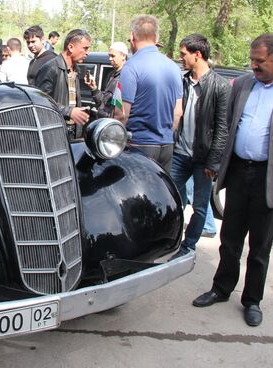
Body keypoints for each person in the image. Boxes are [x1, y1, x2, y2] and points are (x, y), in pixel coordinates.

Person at [192, 34, 273, 327]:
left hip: (269, 175)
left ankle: (252, 300)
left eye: (259, 61)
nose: (253, 66)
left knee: (260, 245)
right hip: (238, 171)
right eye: (251, 60)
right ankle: (221, 288)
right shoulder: (244, 85)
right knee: (230, 238)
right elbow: (228, 124)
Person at [169, 34, 229, 259]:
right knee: (172, 197)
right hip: (179, 154)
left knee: (201, 206)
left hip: (203, 159)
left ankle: (189, 244)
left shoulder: (220, 86)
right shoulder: (182, 81)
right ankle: (170, 239)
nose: (180, 58)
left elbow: (222, 128)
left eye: (183, 54)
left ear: (197, 54)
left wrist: (213, 161)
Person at [116, 15, 183, 172]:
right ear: (156, 38)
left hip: (138, 146)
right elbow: (178, 112)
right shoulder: (174, 68)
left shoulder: (130, 67)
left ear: (132, 36)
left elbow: (121, 113)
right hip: (166, 146)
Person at [34, 29, 91, 133]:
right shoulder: (50, 68)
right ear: (70, 47)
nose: (88, 53)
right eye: (85, 48)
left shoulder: (75, 69)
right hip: (54, 132)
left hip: (71, 132)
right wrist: (69, 111)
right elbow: (40, 102)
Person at [84, 41, 127, 119]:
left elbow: (119, 110)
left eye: (113, 56)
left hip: (112, 125)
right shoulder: (112, 75)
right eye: (109, 56)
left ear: (123, 56)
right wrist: (94, 88)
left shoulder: (126, 77)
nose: (110, 59)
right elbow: (103, 102)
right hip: (104, 122)